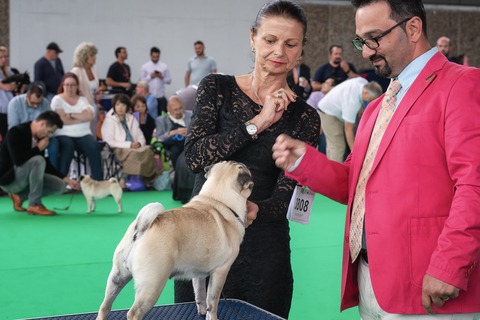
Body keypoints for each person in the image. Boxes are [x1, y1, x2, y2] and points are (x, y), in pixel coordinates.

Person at [272, 0, 480, 318]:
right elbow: (356, 183)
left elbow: (473, 184)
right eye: (361, 41)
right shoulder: (376, 107)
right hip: (370, 279)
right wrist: (304, 162)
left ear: (412, 28)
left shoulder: (461, 83)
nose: (366, 52)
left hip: (430, 286)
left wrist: (449, 265)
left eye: (374, 38)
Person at [174, 1, 320, 318]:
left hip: (264, 250)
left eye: (290, 43)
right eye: (269, 40)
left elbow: (292, 193)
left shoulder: (305, 118)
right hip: (201, 242)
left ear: (301, 51)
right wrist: (260, 121)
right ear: (252, 38)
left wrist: (256, 209)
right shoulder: (216, 87)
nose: (278, 50)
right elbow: (196, 157)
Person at [0, 111, 79, 216]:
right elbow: (18, 160)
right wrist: (38, 148)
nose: (49, 135)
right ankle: (34, 204)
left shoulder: (39, 138)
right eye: (49, 131)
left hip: (23, 176)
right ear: (42, 124)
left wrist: (65, 179)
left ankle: (19, 197)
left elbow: (45, 163)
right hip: (9, 180)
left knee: (59, 185)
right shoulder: (16, 132)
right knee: (37, 160)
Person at [51, 73, 103, 181]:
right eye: (67, 85)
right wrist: (81, 117)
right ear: (63, 85)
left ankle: (98, 182)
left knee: (94, 147)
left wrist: (70, 114)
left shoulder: (83, 99)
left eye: (73, 85)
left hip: (83, 134)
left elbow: (89, 116)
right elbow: (62, 120)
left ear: (77, 86)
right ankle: (61, 182)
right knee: (68, 147)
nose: (70, 88)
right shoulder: (57, 99)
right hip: (63, 134)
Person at [101, 94, 161, 188]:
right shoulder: (109, 120)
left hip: (134, 147)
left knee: (148, 150)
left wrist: (139, 143)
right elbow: (109, 141)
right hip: (119, 148)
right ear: (114, 107)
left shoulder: (131, 118)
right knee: (134, 154)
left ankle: (147, 179)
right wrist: (129, 144)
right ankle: (125, 179)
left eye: (123, 105)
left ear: (127, 107)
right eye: (117, 105)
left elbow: (140, 136)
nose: (120, 108)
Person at [318, 78, 382, 162]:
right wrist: (354, 152)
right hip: (328, 114)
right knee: (338, 146)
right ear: (365, 92)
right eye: (370, 99)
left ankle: (328, 169)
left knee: (332, 146)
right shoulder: (352, 102)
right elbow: (348, 128)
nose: (369, 102)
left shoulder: (363, 82)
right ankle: (334, 174)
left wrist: (361, 108)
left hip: (327, 108)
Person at [71, 42, 103, 138]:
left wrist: (97, 93)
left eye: (94, 55)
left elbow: (92, 89)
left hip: (93, 105)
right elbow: (73, 91)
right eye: (92, 55)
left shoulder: (94, 69)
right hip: (82, 107)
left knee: (93, 133)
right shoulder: (76, 71)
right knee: (83, 134)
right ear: (84, 56)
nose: (94, 57)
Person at [155, 95, 192, 167]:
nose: (178, 112)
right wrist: (172, 133)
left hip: (190, 144)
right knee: (175, 150)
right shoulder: (161, 120)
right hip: (174, 149)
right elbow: (159, 138)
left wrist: (188, 131)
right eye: (175, 109)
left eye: (180, 108)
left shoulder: (191, 114)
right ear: (168, 109)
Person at [139, 46, 172, 115]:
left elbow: (169, 81)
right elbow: (141, 81)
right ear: (150, 55)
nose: (155, 58)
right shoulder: (145, 66)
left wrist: (161, 77)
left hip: (160, 97)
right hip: (149, 97)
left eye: (157, 57)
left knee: (163, 116)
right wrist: (150, 76)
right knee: (150, 115)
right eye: (154, 56)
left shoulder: (164, 66)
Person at [0, 46, 16, 139]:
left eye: (5, 57)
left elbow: (16, 85)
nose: (4, 59)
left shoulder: (9, 71)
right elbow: (7, 87)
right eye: (1, 57)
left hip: (10, 108)